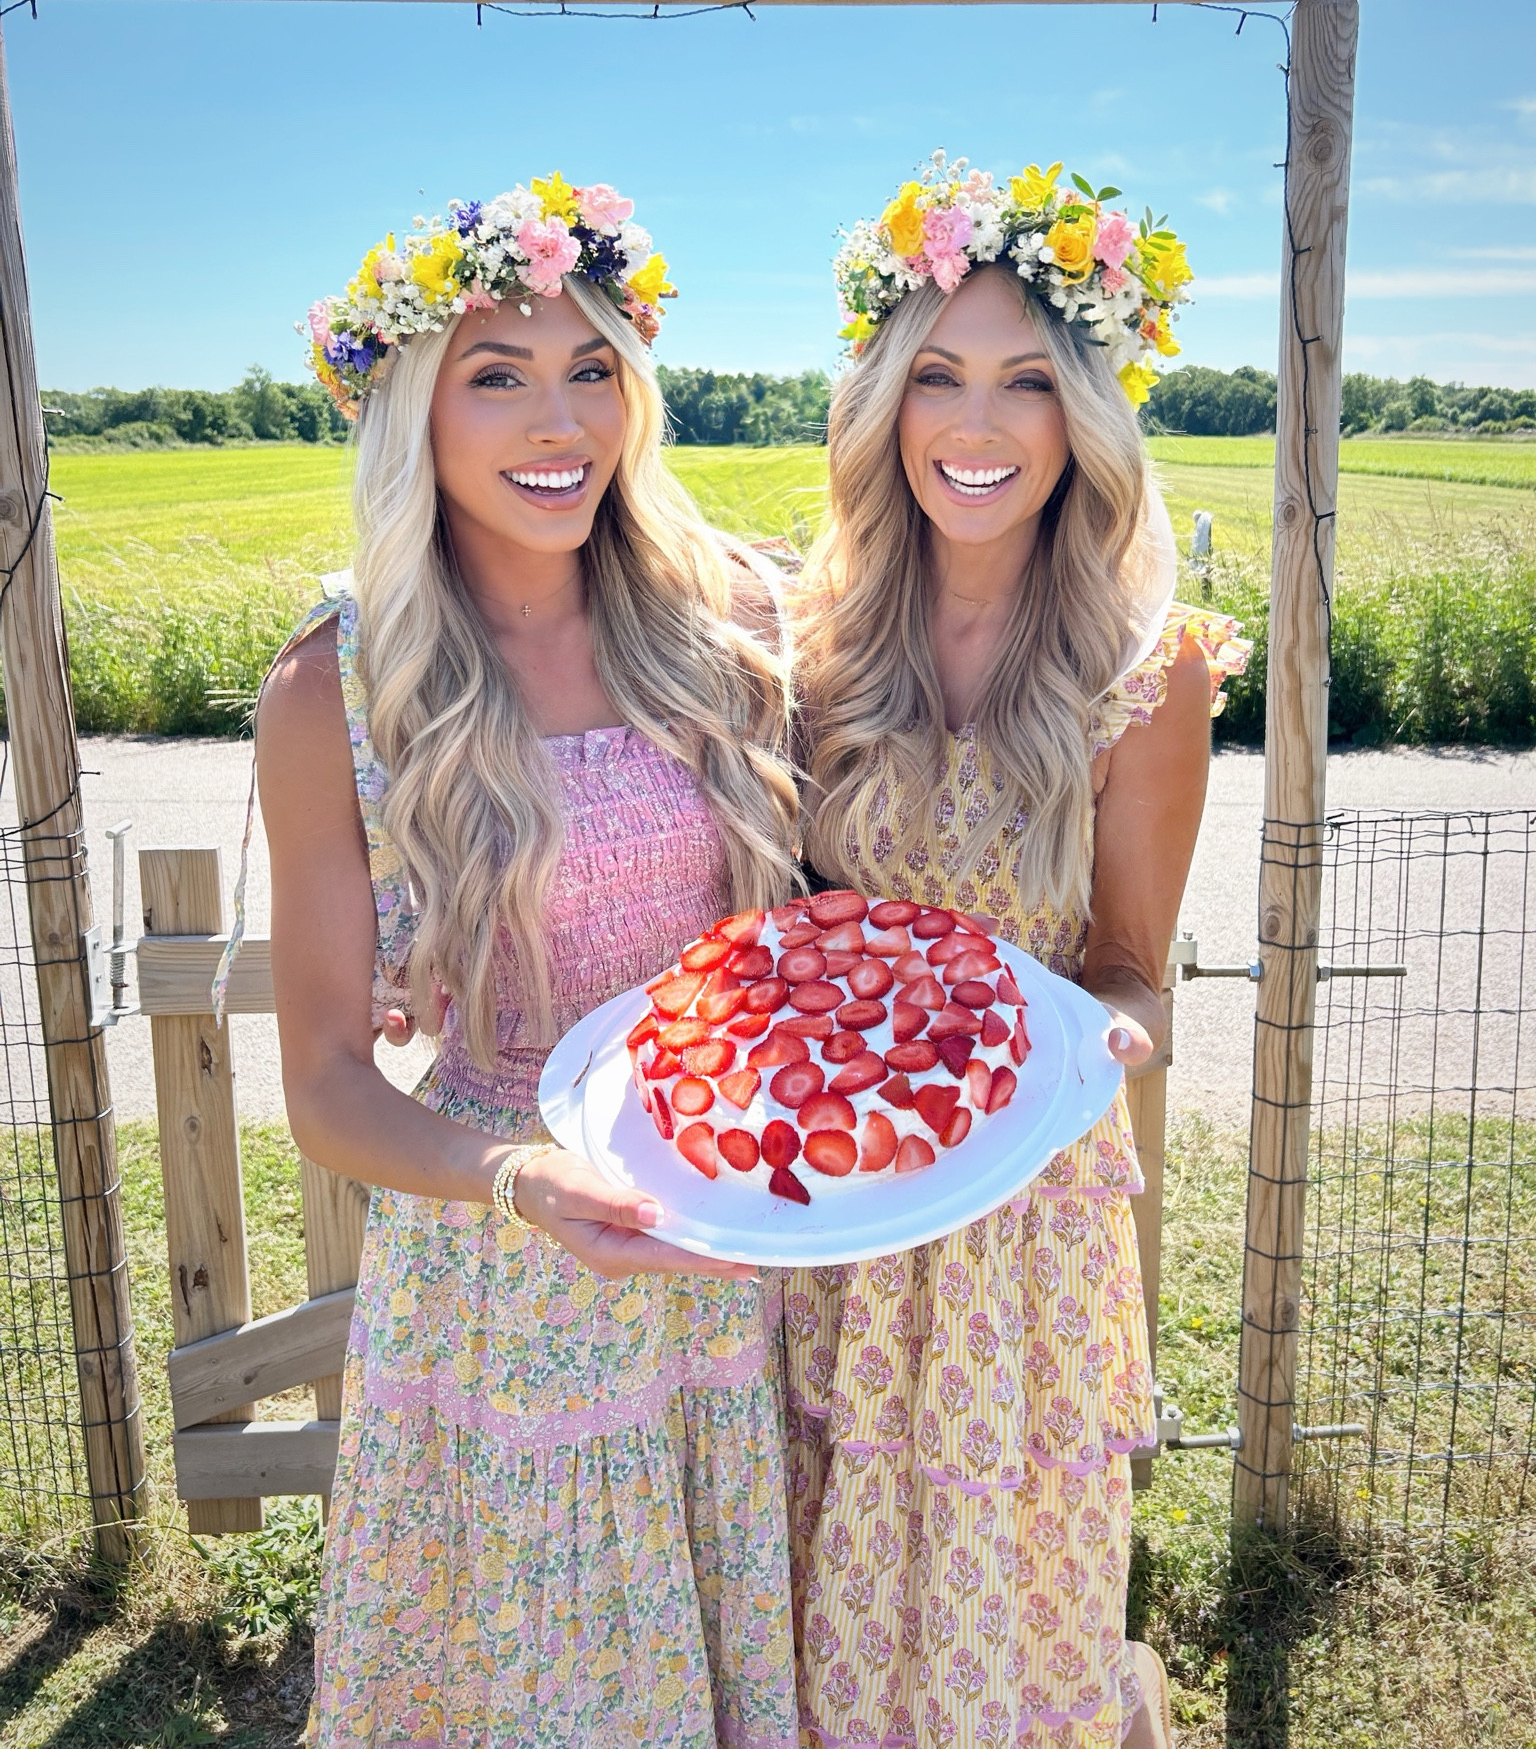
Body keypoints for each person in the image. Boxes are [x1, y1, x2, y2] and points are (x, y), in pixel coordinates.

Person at [253, 180, 800, 1748]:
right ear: (411, 415)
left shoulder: (723, 623)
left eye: (590, 367)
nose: (557, 417)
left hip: (711, 1245)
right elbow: (326, 1090)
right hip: (504, 1280)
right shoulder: (339, 683)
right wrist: (521, 1180)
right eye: (496, 374)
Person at [786, 157, 1249, 1748]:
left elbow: (1128, 964)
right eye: (936, 377)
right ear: (884, 404)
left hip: (1015, 1208)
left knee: (1005, 1601)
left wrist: (1094, 1035)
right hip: (831, 1190)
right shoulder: (814, 641)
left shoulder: (1149, 671)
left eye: (1027, 385)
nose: (974, 430)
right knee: (817, 1565)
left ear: (1085, 421)